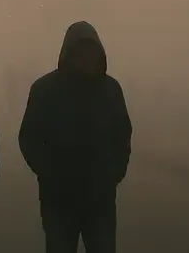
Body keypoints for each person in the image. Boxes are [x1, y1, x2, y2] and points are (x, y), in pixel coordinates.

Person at [18, 22, 132, 253]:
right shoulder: (45, 90)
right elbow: (29, 138)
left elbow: (123, 135)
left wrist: (114, 174)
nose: (86, 59)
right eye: (80, 54)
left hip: (100, 200)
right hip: (58, 200)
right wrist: (48, 173)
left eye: (91, 54)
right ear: (67, 54)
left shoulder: (110, 90)